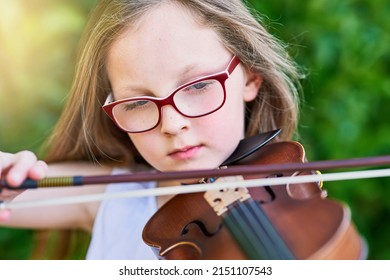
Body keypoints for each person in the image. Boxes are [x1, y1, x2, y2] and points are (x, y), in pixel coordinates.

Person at [0, 0, 301, 259]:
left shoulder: (298, 206)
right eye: (136, 104)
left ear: (250, 77)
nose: (171, 124)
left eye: (198, 85)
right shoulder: (115, 199)